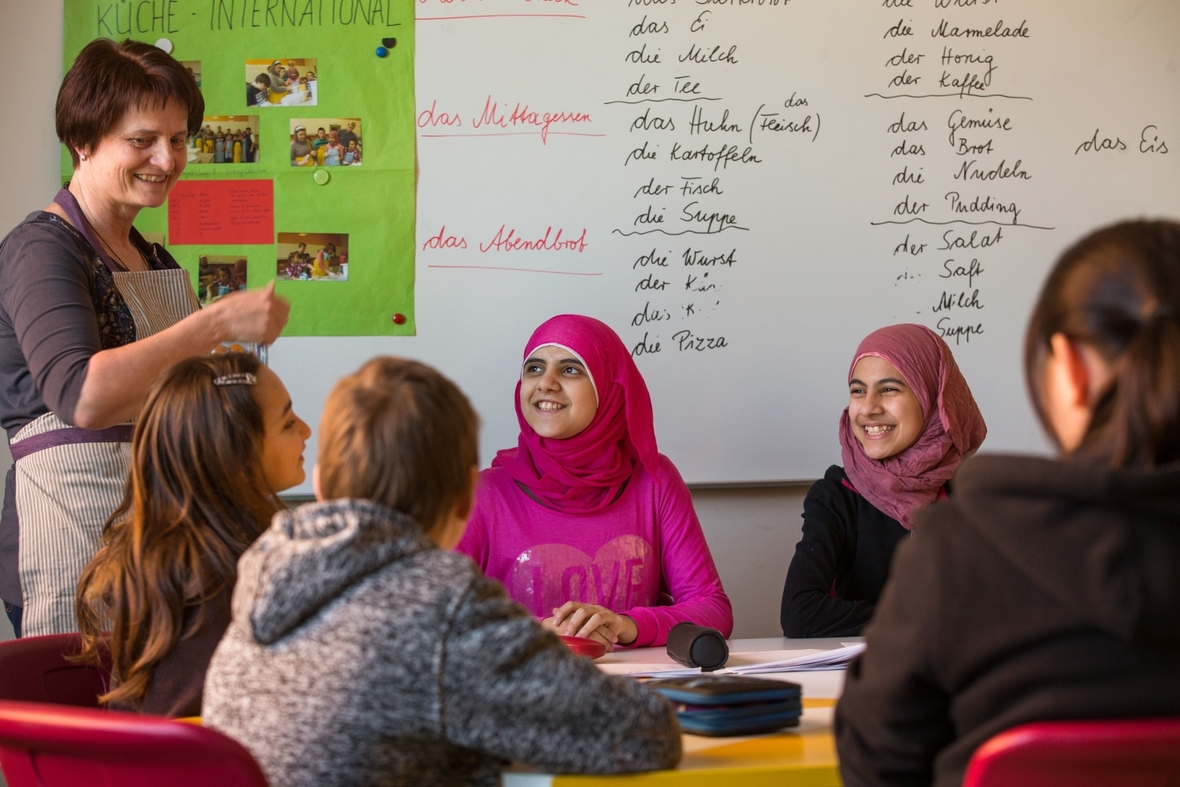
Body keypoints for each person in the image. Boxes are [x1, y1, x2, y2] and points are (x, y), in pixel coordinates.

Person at [203, 356, 682, 786]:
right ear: (463, 498)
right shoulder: (444, 605)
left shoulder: (261, 570)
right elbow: (643, 735)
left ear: (322, 483)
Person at [835, 220, 1180, 787]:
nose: (869, 407)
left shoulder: (960, 547)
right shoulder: (876, 508)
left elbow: (875, 764)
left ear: (1068, 372)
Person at [0, 38, 288, 638]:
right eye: (143, 140)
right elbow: (83, 397)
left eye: (179, 140)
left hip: (157, 535)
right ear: (83, 140)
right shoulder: (42, 249)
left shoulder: (152, 258)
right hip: (72, 533)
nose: (167, 158)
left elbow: (184, 387)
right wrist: (214, 324)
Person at [455, 314, 732, 650]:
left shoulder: (654, 481)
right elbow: (432, 619)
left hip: (635, 690)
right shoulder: (483, 494)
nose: (546, 383)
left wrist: (626, 624)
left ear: (609, 387)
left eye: (570, 369)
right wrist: (532, 634)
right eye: (534, 368)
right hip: (518, 692)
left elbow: (712, 607)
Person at [75, 353, 310, 718]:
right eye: (288, 423)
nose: (307, 431)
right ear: (236, 451)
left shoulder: (156, 553)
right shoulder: (240, 567)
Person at [780, 324, 986, 638]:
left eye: (889, 389)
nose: (869, 408)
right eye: (858, 390)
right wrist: (925, 619)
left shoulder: (973, 495)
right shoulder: (837, 495)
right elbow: (800, 613)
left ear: (933, 398)